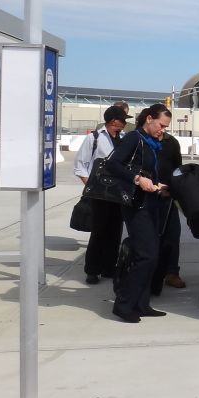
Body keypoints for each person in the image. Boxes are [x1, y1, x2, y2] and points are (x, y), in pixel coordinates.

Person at [105, 103, 172, 323]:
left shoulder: (151, 143)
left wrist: (157, 185)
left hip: (150, 202)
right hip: (136, 205)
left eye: (165, 127)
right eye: (161, 125)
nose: (163, 130)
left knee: (150, 256)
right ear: (150, 118)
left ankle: (141, 304)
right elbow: (112, 164)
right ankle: (123, 304)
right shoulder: (134, 138)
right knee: (147, 255)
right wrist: (137, 179)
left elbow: (146, 171)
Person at [73, 105, 127, 283]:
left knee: (115, 231)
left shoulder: (125, 139)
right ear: (112, 121)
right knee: (98, 231)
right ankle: (92, 270)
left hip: (117, 194)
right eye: (122, 120)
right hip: (99, 195)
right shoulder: (94, 138)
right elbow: (81, 165)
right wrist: (91, 187)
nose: (124, 124)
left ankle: (109, 268)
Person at [151, 130, 186, 294]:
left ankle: (172, 272)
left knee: (172, 234)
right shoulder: (138, 139)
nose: (162, 129)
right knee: (149, 237)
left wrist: (172, 189)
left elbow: (177, 170)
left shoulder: (171, 142)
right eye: (161, 124)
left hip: (167, 197)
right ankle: (149, 272)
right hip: (144, 197)